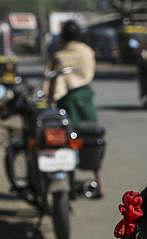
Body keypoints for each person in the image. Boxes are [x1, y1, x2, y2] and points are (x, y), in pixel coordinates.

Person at [48, 20, 103, 195]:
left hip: (65, 100)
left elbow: (52, 82)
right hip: (85, 99)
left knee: (66, 141)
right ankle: (100, 183)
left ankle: (66, 180)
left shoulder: (60, 55)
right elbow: (88, 74)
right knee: (92, 139)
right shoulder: (87, 52)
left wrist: (50, 101)